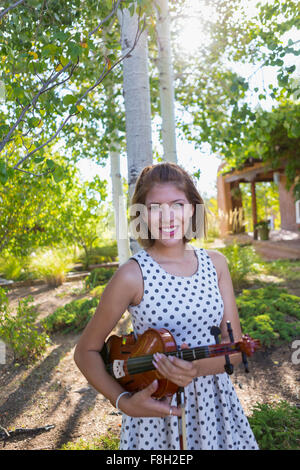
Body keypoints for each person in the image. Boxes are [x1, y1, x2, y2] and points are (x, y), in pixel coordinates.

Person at [74, 162, 259, 450]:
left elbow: (234, 348)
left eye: (177, 204)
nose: (167, 217)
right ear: (142, 214)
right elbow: (85, 351)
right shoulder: (132, 275)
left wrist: (194, 369)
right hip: (155, 413)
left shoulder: (216, 264)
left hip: (216, 406)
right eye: (155, 207)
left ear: (192, 209)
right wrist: (124, 402)